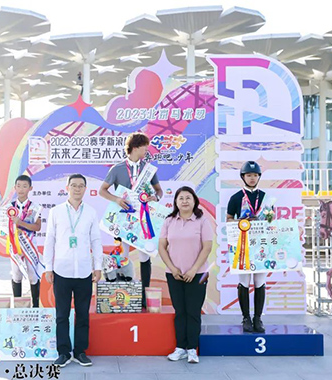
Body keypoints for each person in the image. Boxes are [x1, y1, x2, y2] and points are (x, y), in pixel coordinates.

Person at [43, 174, 102, 368]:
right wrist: (48, 268)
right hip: (61, 270)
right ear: (67, 187)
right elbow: (49, 240)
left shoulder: (91, 212)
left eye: (81, 186)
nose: (77, 189)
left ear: (85, 189)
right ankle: (63, 352)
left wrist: (98, 266)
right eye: (74, 185)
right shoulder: (56, 212)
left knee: (83, 314)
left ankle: (80, 352)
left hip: (84, 271)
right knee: (62, 314)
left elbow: (96, 240)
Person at [100, 132, 163, 308]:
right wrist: (116, 199)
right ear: (135, 147)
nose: (147, 151)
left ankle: (144, 296)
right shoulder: (117, 169)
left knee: (144, 255)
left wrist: (155, 198)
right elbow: (102, 190)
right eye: (145, 148)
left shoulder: (148, 169)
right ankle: (123, 297)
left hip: (143, 218)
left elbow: (159, 190)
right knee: (123, 255)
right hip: (122, 218)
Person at [158, 186, 214, 363]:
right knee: (180, 311)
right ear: (175, 201)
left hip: (198, 274)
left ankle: (192, 349)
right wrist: (172, 268)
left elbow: (207, 247)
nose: (184, 201)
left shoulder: (202, 221)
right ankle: (180, 348)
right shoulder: (169, 221)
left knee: (193, 312)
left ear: (194, 201)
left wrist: (193, 269)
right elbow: (162, 247)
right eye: (181, 198)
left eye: (188, 198)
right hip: (174, 274)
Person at [226, 161, 267, 334]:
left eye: (255, 175)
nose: (252, 178)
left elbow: (271, 220)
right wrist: (242, 222)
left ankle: (258, 318)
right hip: (242, 245)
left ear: (259, 177)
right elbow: (228, 219)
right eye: (249, 175)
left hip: (261, 245)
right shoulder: (236, 197)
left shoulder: (265, 197)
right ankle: (246, 318)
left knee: (260, 282)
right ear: (243, 177)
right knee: (244, 282)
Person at [0, 175, 43, 306]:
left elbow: (37, 227)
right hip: (14, 244)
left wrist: (20, 223)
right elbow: (0, 225)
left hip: (29, 243)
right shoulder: (8, 207)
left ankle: (35, 307)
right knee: (16, 274)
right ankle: (18, 307)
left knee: (33, 274)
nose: (21, 189)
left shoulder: (35, 207)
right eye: (18, 186)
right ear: (15, 187)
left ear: (30, 188)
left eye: (25, 186)